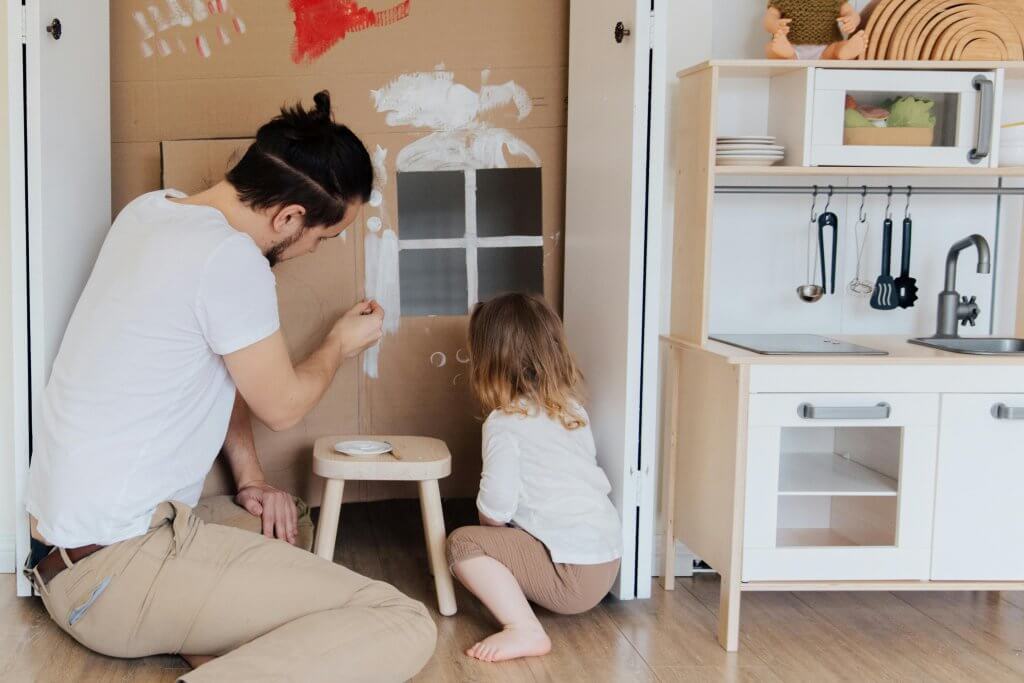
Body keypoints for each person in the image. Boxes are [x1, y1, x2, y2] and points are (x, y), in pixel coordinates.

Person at [23, 91, 437, 682]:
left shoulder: (150, 212)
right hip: (115, 573)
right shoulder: (231, 260)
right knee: (399, 618)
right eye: (322, 237)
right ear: (289, 216)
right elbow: (284, 407)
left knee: (286, 522)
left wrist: (251, 480)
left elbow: (221, 368)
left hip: (68, 559)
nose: (313, 250)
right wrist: (338, 345)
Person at [446, 293, 622, 663]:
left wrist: (493, 532)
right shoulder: (572, 410)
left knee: (462, 545)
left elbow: (496, 505)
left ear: (488, 363)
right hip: (608, 561)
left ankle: (523, 628)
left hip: (572, 578)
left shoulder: (505, 423)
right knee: (517, 532)